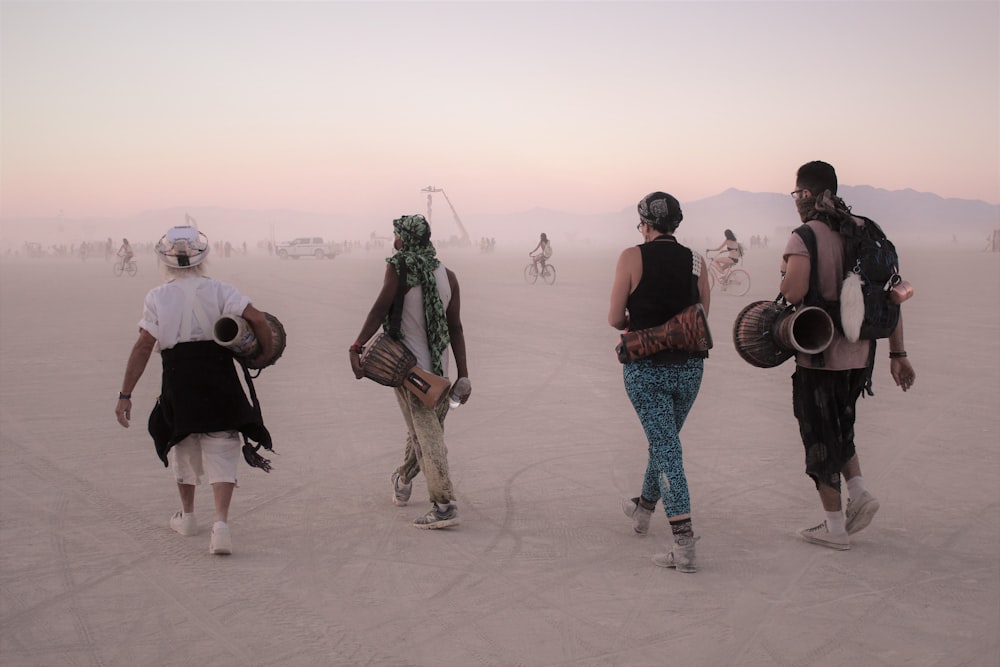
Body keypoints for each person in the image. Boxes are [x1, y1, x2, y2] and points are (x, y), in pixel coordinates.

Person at [114, 224, 275, 555]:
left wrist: (125, 394)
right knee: (222, 444)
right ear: (203, 257)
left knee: (182, 442)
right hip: (218, 372)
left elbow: (145, 344)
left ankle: (187, 518)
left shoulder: (158, 296)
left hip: (178, 376)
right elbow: (257, 318)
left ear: (165, 260)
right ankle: (221, 526)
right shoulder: (220, 290)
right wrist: (265, 353)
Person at [780, 161, 916, 550]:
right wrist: (898, 353)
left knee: (819, 437)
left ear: (805, 194)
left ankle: (835, 527)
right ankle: (859, 492)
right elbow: (890, 295)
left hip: (819, 356)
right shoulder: (867, 230)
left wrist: (784, 269)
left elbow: (792, 293)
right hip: (862, 356)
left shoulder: (806, 235)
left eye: (795, 194)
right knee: (842, 425)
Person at [608, 192, 711, 573]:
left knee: (666, 448)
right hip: (689, 370)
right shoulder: (698, 261)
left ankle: (684, 544)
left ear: (646, 224)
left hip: (645, 369)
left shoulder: (631, 256)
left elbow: (615, 318)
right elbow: (700, 318)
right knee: (665, 442)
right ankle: (643, 509)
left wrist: (643, 321)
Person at [349, 214, 470, 529]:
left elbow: (379, 308)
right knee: (422, 432)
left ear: (406, 239)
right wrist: (463, 375)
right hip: (440, 373)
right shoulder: (448, 275)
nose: (394, 241)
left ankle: (444, 504)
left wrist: (357, 346)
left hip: (410, 372)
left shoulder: (399, 267)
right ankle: (402, 479)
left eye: (396, 235)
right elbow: (455, 327)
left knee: (427, 436)